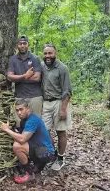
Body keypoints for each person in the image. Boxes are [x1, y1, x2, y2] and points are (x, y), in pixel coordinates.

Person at [0, 99, 54, 184]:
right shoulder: (24, 121)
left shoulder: (32, 120)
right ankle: (37, 168)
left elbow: (22, 139)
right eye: (17, 110)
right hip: (43, 149)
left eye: (21, 109)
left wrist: (7, 130)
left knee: (17, 146)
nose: (19, 113)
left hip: (46, 152)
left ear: (28, 109)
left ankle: (29, 174)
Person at [41, 43, 72, 171]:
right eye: (45, 53)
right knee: (44, 131)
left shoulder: (62, 68)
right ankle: (53, 153)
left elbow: (67, 90)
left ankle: (60, 157)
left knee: (60, 131)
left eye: (50, 53)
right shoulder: (42, 67)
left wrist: (63, 109)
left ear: (55, 54)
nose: (48, 56)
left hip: (59, 102)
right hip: (46, 102)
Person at [7, 35, 43, 127]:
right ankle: (22, 141)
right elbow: (10, 77)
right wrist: (25, 76)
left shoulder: (35, 59)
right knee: (19, 124)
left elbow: (37, 78)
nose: (22, 46)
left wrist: (18, 78)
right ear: (17, 46)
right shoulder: (13, 59)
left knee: (35, 124)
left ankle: (36, 142)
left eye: (24, 43)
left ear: (28, 45)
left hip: (35, 96)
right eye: (20, 44)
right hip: (20, 96)